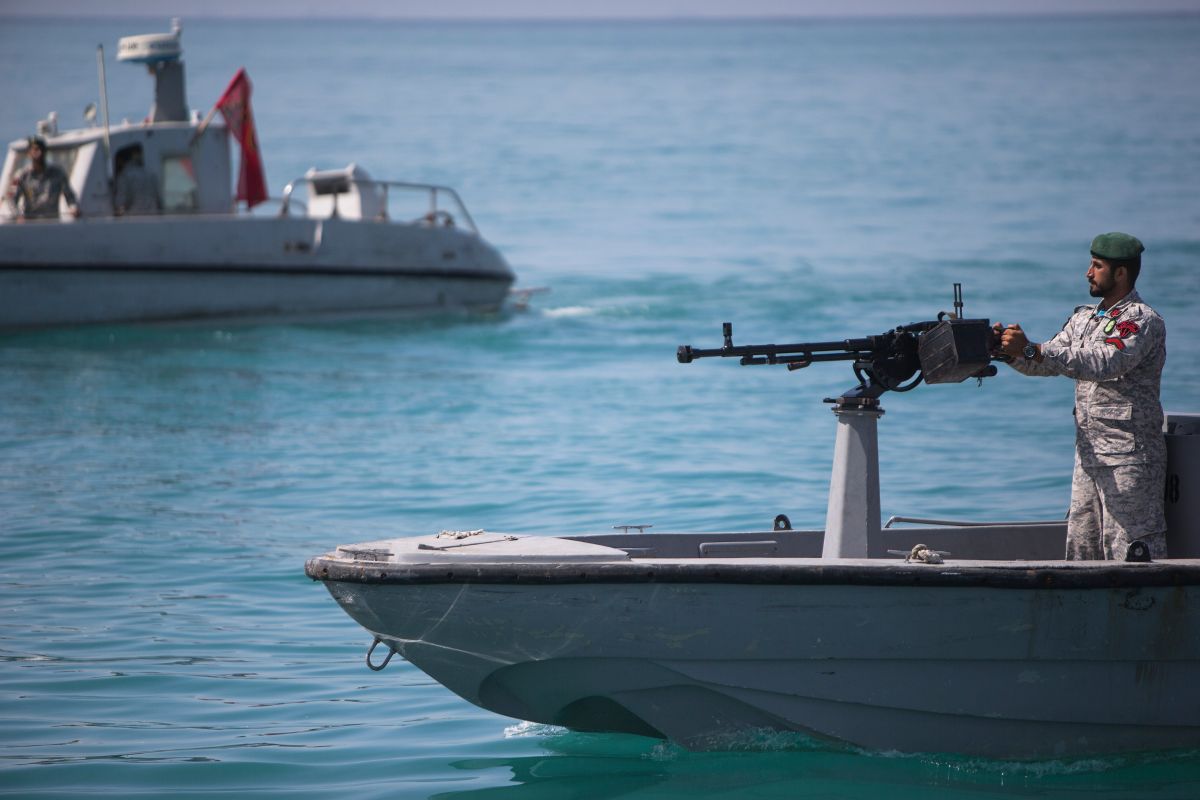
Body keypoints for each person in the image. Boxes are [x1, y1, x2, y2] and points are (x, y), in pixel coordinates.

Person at [995, 232, 1167, 561]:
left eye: (1097, 266)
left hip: (1129, 461)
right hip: (1088, 458)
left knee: (1131, 552)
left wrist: (1032, 349)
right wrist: (1008, 351)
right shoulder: (1085, 318)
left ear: (1120, 273)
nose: (1088, 273)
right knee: (1081, 552)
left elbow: (1105, 362)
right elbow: (1047, 361)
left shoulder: (1140, 321)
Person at [9, 136, 80, 220]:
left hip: (51, 222)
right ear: (29, 153)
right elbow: (11, 199)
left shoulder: (58, 173)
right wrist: (18, 215)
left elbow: (70, 196)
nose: (39, 153)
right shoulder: (21, 175)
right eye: (35, 150)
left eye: (41, 149)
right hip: (30, 223)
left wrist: (73, 208)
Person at [113, 144, 161, 216]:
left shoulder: (124, 176)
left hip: (134, 217)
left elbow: (121, 202)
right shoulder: (151, 174)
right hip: (153, 216)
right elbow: (158, 199)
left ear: (121, 160)